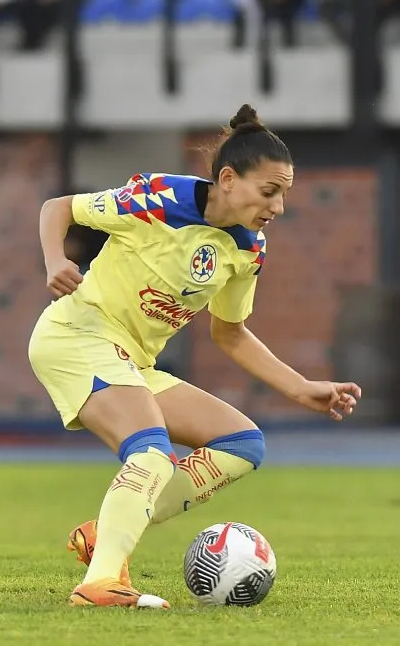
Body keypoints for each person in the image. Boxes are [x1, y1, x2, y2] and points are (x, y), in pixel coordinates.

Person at [28, 104, 362, 608]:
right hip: (77, 335)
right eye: (270, 191)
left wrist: (301, 387)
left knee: (243, 444)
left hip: (131, 360)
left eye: (285, 195)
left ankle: (111, 530)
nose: (279, 206)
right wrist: (56, 261)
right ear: (228, 178)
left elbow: (230, 333)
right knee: (150, 451)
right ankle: (100, 584)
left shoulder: (248, 249)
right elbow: (58, 206)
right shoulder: (158, 197)